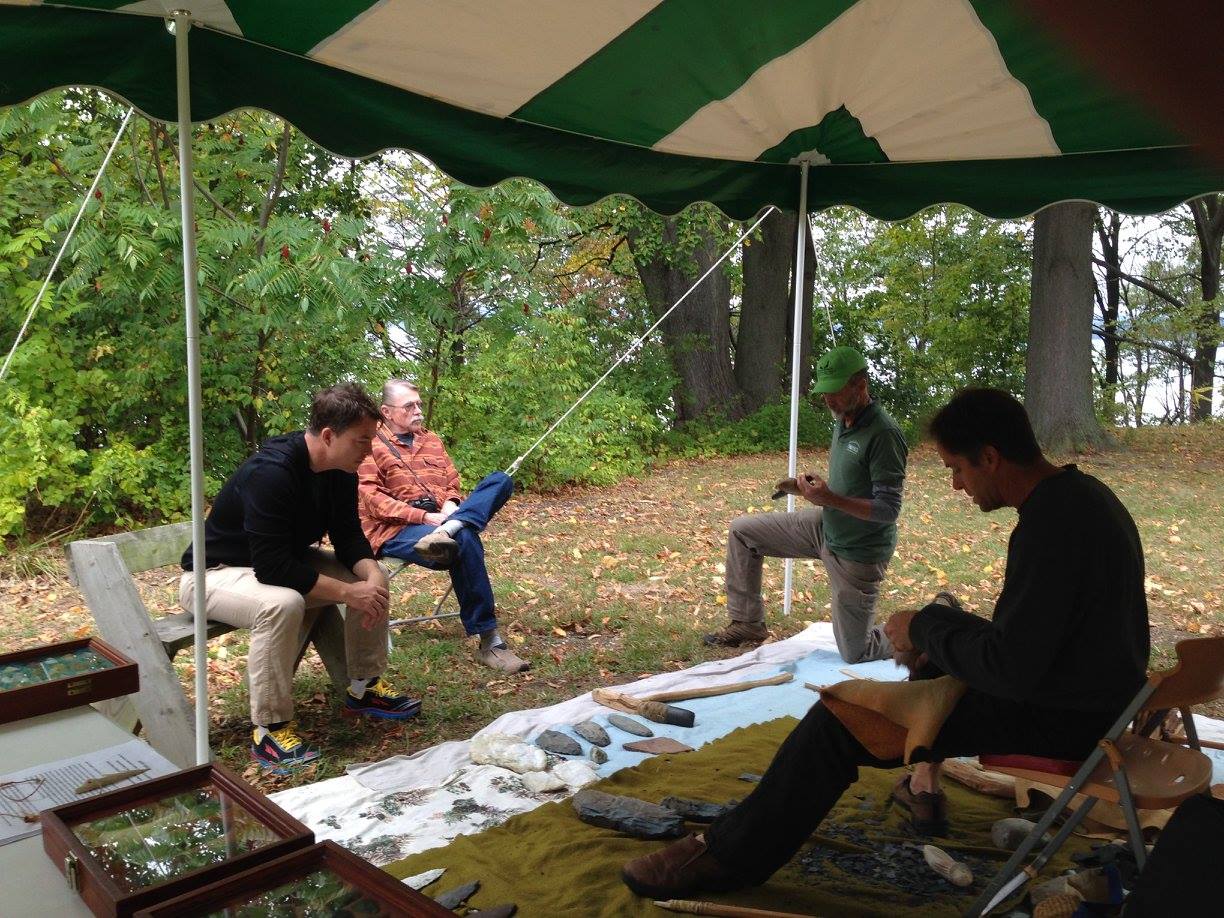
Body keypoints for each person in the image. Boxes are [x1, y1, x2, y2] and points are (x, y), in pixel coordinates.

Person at [622, 388, 1150, 899]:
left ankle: (728, 857)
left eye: (957, 470)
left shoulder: (1049, 528)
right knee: (936, 630)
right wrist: (934, 630)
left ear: (989, 457)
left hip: (1064, 717)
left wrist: (924, 630)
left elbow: (1010, 669)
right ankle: (924, 786)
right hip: (1091, 695)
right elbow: (1033, 639)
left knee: (838, 721)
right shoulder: (1085, 498)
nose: (957, 487)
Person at [180, 383, 420, 773]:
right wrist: (348, 592)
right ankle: (270, 729)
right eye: (362, 441)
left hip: (276, 563)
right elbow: (274, 568)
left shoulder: (341, 470)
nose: (369, 450)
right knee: (283, 602)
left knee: (371, 580)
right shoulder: (271, 473)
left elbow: (348, 537)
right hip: (213, 575)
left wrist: (372, 574)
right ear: (328, 435)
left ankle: (364, 687)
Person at [704, 345, 908, 664]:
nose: (828, 400)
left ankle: (916, 634)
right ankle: (747, 624)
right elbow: (852, 482)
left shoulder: (884, 434)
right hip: (825, 526)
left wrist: (829, 498)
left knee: (856, 652)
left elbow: (888, 509)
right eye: (824, 392)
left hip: (858, 551)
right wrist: (807, 489)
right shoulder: (844, 419)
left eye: (835, 392)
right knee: (742, 532)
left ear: (860, 385)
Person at [357, 379, 528, 674]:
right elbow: (372, 500)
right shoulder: (370, 445)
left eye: (419, 404)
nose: (417, 410)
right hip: (395, 530)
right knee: (467, 539)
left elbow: (451, 480)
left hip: (442, 520)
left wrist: (450, 505)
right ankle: (490, 641)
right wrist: (424, 518)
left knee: (501, 480)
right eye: (409, 406)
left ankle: (455, 526)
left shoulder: (432, 440)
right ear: (386, 411)